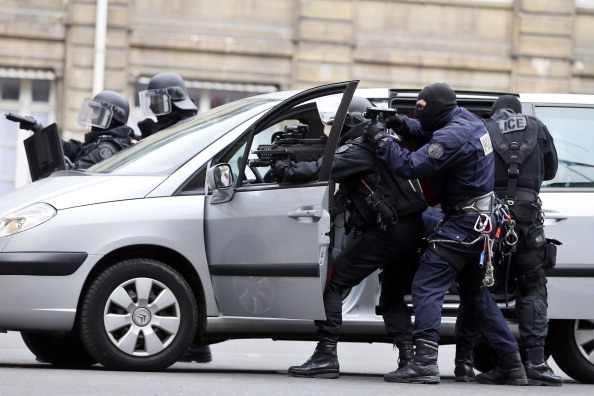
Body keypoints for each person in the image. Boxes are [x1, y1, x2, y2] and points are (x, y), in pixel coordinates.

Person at [365, 83, 528, 385]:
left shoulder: (452, 135)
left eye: (421, 110)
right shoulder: (466, 119)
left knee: (426, 284)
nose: (417, 114)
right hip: (480, 221)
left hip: (465, 223)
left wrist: (382, 139)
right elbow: (428, 130)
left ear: (437, 109)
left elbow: (410, 165)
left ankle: (425, 362)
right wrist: (401, 123)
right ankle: (511, 363)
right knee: (475, 293)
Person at [278, 97, 428, 379]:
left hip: (389, 232)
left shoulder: (360, 149)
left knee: (333, 284)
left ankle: (326, 355)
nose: (330, 131)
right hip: (408, 228)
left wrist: (286, 168)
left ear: (348, 121)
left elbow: (320, 170)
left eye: (334, 125)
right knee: (392, 296)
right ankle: (409, 358)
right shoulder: (384, 142)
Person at [454, 95, 562, 385]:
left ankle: (463, 363)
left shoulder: (482, 127)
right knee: (533, 288)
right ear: (519, 112)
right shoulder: (537, 126)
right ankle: (536, 363)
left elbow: (465, 172)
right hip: (527, 219)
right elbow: (550, 171)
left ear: (495, 111)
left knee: (476, 287)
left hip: (489, 220)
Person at [137, 72, 210, 363]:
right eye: (151, 101)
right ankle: (194, 344)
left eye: (158, 100)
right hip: (174, 208)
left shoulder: (189, 127)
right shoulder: (173, 126)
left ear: (173, 98)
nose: (154, 107)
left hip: (184, 209)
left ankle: (193, 343)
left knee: (179, 275)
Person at [62, 90, 136, 169]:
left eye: (96, 112)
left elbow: (76, 172)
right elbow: (80, 149)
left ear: (109, 116)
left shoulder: (107, 148)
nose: (90, 117)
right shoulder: (102, 140)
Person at [137, 72, 198, 138]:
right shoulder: (167, 127)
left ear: (172, 98)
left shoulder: (187, 127)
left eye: (155, 99)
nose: (151, 105)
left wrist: (155, 138)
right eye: (151, 100)